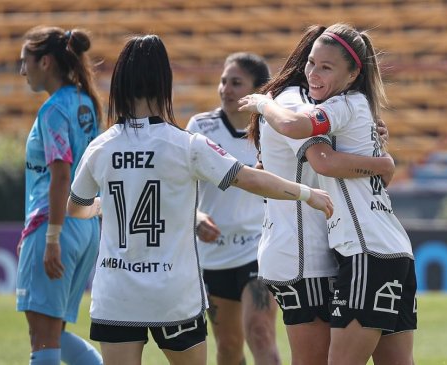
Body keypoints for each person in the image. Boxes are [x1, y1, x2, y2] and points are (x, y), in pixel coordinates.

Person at [64, 34, 334, 365]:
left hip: (116, 295)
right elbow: (250, 179)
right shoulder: (187, 144)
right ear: (165, 81)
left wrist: (103, 206)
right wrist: (308, 193)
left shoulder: (101, 147)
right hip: (173, 294)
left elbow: (75, 208)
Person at [240, 23, 417, 365]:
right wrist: (383, 163)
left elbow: (317, 154)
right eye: (311, 63)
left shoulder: (336, 106)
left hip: (362, 251)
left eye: (325, 66)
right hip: (387, 249)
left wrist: (262, 102)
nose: (313, 73)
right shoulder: (352, 106)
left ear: (352, 74)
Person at [15, 26, 103, 365]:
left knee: (42, 336)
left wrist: (50, 237)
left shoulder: (53, 110)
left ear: (46, 62)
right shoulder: (87, 103)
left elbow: (61, 173)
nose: (23, 71)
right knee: (54, 332)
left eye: (26, 62)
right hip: (85, 228)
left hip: (57, 225)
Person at [186, 52, 281, 365]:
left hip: (260, 248)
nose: (225, 88)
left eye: (236, 83)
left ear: (258, 91)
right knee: (227, 349)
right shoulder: (200, 127)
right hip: (213, 255)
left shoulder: (275, 130)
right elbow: (181, 188)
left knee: (261, 332)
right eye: (223, 81)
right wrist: (196, 217)